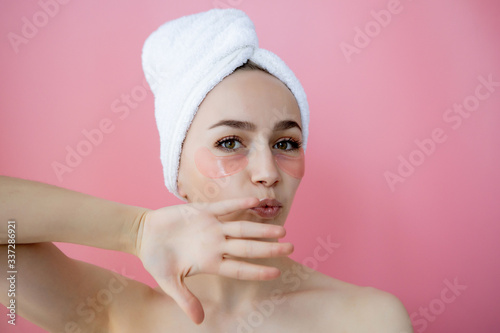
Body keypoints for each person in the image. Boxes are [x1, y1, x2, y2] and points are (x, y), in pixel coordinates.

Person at [1, 8, 413, 333]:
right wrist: (135, 230)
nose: (267, 172)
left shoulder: (370, 319)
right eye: (230, 143)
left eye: (285, 143)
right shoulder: (110, 313)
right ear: (176, 173)